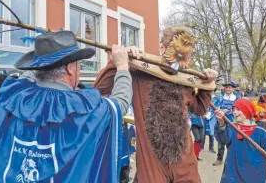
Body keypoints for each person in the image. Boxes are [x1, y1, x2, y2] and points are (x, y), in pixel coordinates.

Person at [0, 31, 143, 182]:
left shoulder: (11, 99)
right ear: (70, 68)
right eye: (78, 65)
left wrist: (43, 57)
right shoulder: (87, 111)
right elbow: (119, 103)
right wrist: (121, 66)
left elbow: (24, 79)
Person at [93, 27, 218, 182]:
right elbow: (99, 89)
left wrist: (207, 85)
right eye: (176, 54)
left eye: (185, 57)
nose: (179, 61)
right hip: (152, 167)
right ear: (162, 48)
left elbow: (199, 109)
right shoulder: (140, 73)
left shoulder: (185, 80)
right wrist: (119, 63)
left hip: (185, 166)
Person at [215, 98, 266, 183]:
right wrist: (221, 123)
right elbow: (222, 140)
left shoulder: (261, 133)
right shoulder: (232, 128)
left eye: (238, 109)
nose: (234, 112)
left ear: (247, 111)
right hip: (232, 177)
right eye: (233, 109)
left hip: (253, 177)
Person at [212, 81, 238, 166]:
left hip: (232, 123)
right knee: (221, 141)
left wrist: (232, 111)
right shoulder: (220, 98)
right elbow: (215, 108)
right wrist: (220, 111)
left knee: (231, 141)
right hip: (221, 122)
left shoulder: (237, 98)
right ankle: (219, 159)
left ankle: (230, 159)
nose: (228, 89)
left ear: (233, 88)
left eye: (230, 87)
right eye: (226, 87)